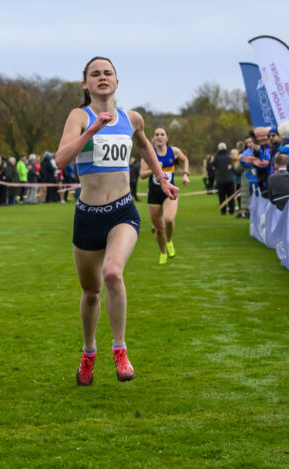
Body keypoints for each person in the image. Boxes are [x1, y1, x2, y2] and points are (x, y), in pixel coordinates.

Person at [54, 57, 178, 386]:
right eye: (95, 74)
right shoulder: (80, 116)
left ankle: (120, 349)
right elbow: (61, 159)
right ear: (86, 84)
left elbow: (145, 146)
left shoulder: (131, 118)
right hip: (87, 217)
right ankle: (88, 351)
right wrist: (91, 130)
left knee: (112, 272)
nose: (102, 78)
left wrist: (163, 179)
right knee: (91, 293)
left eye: (108, 73)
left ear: (117, 82)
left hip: (123, 212)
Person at [139, 128, 189, 264]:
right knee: (159, 229)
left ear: (167, 138)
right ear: (153, 138)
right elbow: (142, 175)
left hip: (169, 192)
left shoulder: (174, 151)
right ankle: (162, 253)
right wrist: (154, 169)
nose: (159, 137)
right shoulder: (148, 154)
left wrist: (185, 174)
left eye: (162, 134)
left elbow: (185, 160)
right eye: (157, 135)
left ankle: (169, 241)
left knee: (169, 220)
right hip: (154, 193)